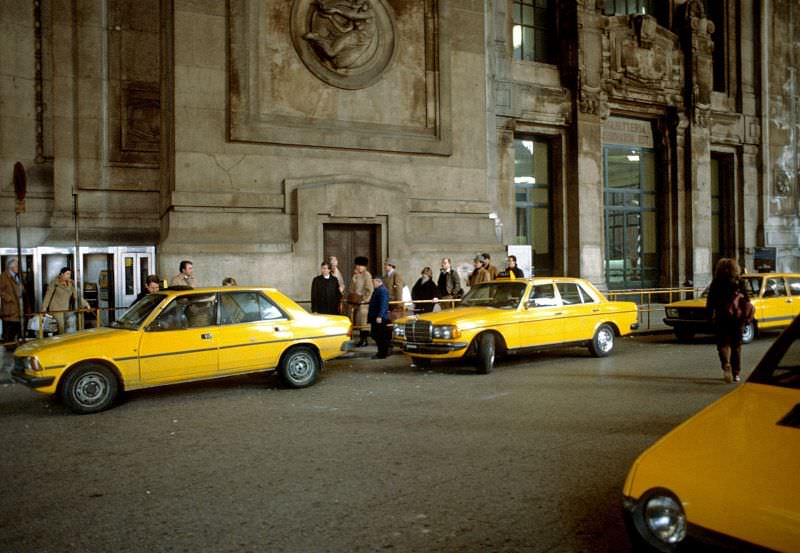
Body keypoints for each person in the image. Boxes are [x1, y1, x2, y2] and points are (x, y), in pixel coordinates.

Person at [706, 258, 753, 383]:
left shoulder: (716, 283)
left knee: (722, 344)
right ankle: (736, 373)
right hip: (737, 319)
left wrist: (710, 316)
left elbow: (710, 302)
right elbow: (747, 301)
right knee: (736, 346)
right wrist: (747, 317)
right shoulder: (740, 282)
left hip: (722, 317)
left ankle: (726, 364)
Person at [43, 267, 90, 334]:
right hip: (56, 309)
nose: (69, 276)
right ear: (62, 274)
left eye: (70, 274)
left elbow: (77, 296)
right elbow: (48, 294)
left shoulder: (70, 284)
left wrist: (86, 304)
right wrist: (44, 307)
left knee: (66, 327)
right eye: (67, 274)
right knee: (61, 327)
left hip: (65, 309)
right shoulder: (54, 283)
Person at [348, 256, 374, 347]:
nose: (358, 267)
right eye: (357, 265)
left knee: (363, 323)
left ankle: (364, 340)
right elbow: (351, 288)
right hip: (356, 302)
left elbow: (370, 290)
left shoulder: (367, 275)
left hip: (364, 304)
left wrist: (365, 300)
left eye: (361, 266)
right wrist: (354, 280)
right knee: (358, 322)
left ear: (365, 266)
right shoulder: (355, 275)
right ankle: (361, 339)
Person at [0, 257, 25, 349]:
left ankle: (14, 346)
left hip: (18, 308)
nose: (18, 267)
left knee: (16, 329)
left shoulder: (17, 276)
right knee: (10, 330)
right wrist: (8, 298)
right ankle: (10, 347)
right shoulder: (4, 276)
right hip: (10, 309)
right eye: (17, 266)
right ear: (11, 267)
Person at [367, 275, 390, 359]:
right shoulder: (378, 290)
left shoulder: (382, 290)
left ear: (378, 281)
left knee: (380, 336)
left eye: (374, 282)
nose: (373, 283)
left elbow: (383, 304)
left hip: (379, 317)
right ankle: (381, 352)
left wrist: (380, 316)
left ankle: (382, 353)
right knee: (376, 335)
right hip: (376, 316)